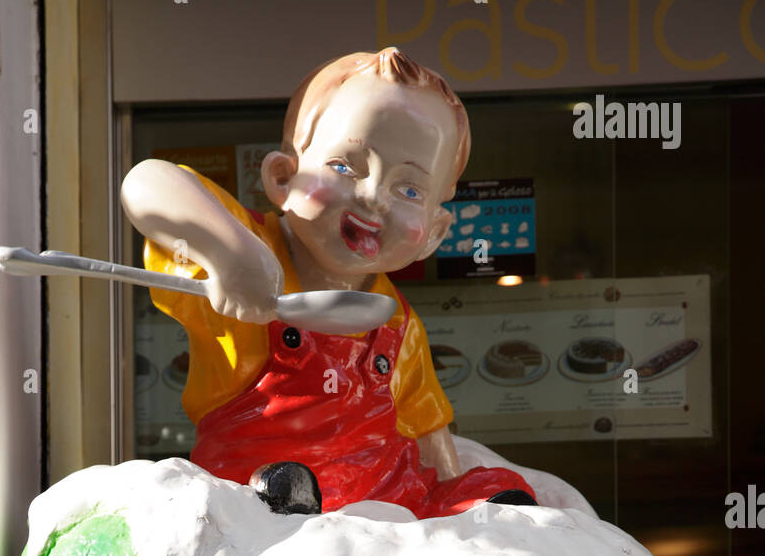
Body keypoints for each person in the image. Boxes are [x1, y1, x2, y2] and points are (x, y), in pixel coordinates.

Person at [121, 46, 536, 514]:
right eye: (344, 167)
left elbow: (425, 431)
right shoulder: (254, 258)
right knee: (276, 492)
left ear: (433, 234)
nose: (373, 198)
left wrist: (450, 493)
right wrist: (230, 254)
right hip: (261, 483)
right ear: (282, 178)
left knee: (490, 490)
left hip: (387, 496)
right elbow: (147, 183)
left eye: (408, 189)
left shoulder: (396, 319)